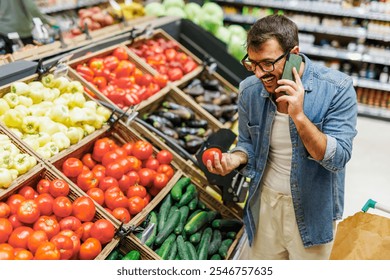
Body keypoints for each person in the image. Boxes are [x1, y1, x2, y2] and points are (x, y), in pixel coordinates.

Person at [206, 14, 358, 260]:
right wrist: (236, 158)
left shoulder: (337, 89)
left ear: (293, 54)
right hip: (264, 207)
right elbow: (248, 143)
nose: (258, 74)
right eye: (252, 64)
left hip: (312, 211)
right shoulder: (250, 91)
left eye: (267, 64)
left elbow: (337, 158)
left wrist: (298, 116)